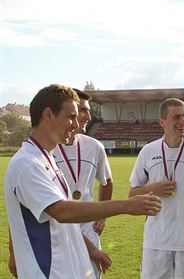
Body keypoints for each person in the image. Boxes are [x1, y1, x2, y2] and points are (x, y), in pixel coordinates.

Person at [5, 84, 162, 279]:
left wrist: (91, 250)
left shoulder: (47, 160)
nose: (75, 123)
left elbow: (64, 222)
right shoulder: (27, 164)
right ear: (48, 114)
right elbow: (62, 212)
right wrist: (126, 205)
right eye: (71, 116)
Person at [129, 98, 184, 279]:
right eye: (176, 117)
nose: (183, 121)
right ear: (162, 122)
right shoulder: (148, 151)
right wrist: (154, 188)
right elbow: (132, 194)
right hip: (155, 242)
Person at [53, 88, 114, 278]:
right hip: (57, 227)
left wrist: (102, 216)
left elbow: (107, 181)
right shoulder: (48, 149)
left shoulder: (94, 146)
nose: (88, 116)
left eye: (88, 110)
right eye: (81, 110)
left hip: (88, 227)